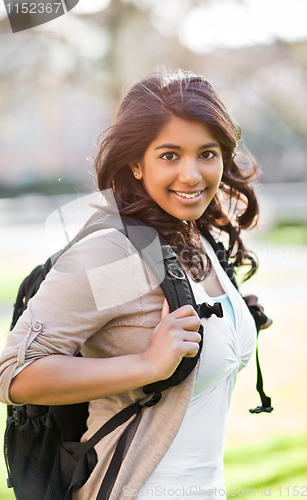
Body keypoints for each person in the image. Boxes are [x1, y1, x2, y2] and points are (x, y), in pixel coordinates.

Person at [0, 70, 271, 500]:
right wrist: (147, 365)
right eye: (169, 155)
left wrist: (241, 319)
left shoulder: (196, 239)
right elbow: (14, 374)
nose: (192, 174)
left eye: (207, 153)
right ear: (136, 164)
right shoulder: (114, 254)